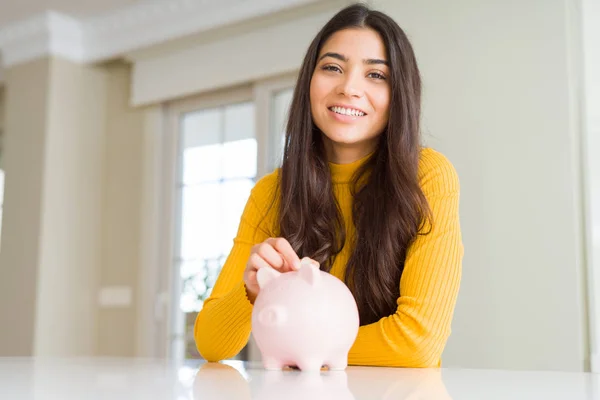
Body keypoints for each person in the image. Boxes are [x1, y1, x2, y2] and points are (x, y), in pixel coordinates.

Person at [194, 2, 463, 368]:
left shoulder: (428, 176)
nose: (349, 88)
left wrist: (299, 345)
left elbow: (418, 341)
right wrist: (250, 292)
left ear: (400, 93)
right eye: (332, 67)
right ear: (309, 81)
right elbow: (211, 343)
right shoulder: (273, 192)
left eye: (376, 75)